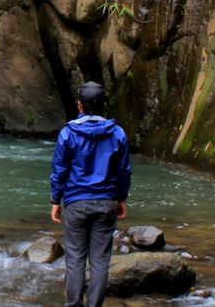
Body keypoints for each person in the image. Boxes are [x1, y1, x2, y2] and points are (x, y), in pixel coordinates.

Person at [50, 81, 131, 307]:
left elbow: (60, 170)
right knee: (100, 261)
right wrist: (122, 198)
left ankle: (73, 305)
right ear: (104, 105)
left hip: (75, 203)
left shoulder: (68, 133)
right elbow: (124, 170)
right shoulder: (117, 134)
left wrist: (55, 200)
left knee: (74, 259)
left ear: (79, 105)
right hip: (106, 203)